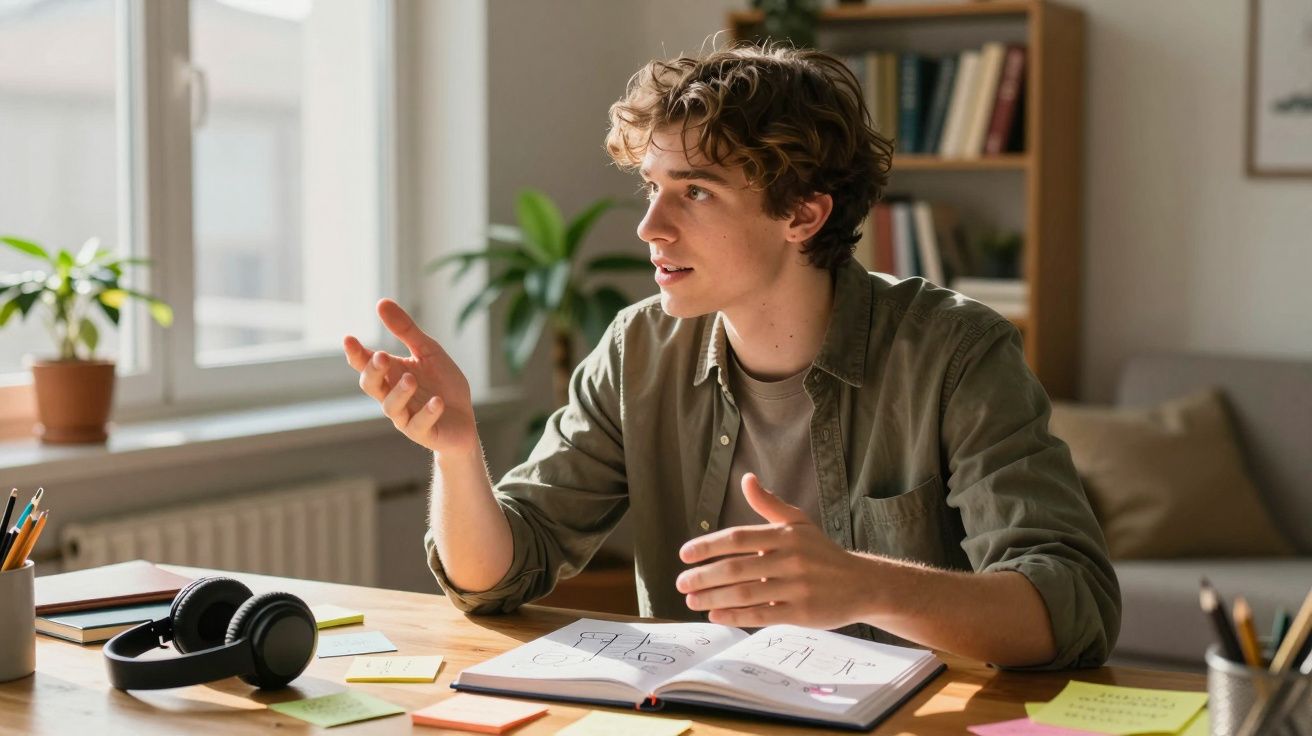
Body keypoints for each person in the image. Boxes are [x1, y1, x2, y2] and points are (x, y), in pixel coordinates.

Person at [343, 42, 1119, 670]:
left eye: (697, 191)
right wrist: (456, 450)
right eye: (651, 186)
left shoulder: (954, 351)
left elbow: (1071, 604)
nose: (649, 225)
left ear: (803, 215)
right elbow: (498, 576)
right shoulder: (638, 348)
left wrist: (863, 587)